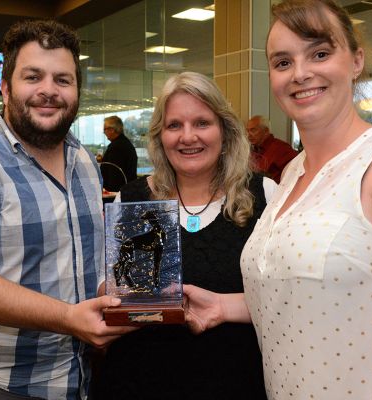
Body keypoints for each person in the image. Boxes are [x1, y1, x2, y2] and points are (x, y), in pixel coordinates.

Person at [184, 1, 372, 398]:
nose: (300, 73)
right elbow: (306, 291)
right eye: (283, 62)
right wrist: (221, 306)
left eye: (319, 53)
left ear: (356, 60)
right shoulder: (294, 173)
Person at [0, 19, 133, 400]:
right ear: (5, 88)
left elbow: (83, 259)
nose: (48, 91)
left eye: (63, 80)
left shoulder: (84, 161)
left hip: (74, 378)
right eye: (33, 76)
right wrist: (69, 318)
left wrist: (117, 301)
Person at [97, 71, 275, 400]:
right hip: (138, 380)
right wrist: (114, 291)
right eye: (174, 125)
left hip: (233, 381)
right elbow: (111, 291)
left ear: (224, 129)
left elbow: (285, 298)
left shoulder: (262, 194)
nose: (187, 137)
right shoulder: (133, 199)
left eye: (202, 123)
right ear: (160, 136)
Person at [247, 115, 298, 183]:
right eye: (247, 131)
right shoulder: (252, 150)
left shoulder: (281, 148)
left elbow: (296, 174)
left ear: (266, 131)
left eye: (253, 130)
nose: (248, 134)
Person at [101, 115, 138, 192]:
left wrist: (109, 193)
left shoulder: (116, 147)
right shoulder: (124, 143)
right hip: (126, 190)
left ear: (112, 130)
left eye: (105, 129)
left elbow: (115, 175)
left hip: (117, 194)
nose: (104, 132)